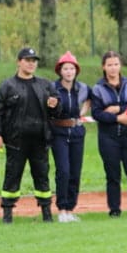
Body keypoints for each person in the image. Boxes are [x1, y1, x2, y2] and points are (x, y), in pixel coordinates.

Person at [0, 47, 61, 224]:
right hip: (16, 141)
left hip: (40, 140)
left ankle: (47, 213)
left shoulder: (45, 85)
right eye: (27, 60)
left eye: (34, 60)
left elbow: (57, 111)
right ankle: (7, 215)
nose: (31, 63)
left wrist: (54, 105)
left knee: (42, 176)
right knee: (12, 176)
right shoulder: (8, 86)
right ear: (19, 62)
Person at [91, 50, 127, 217]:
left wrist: (117, 109)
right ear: (103, 67)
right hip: (108, 137)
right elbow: (97, 113)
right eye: (109, 65)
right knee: (113, 175)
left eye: (116, 64)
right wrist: (118, 118)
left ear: (120, 65)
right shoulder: (98, 88)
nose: (113, 68)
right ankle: (114, 210)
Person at [50, 51, 90, 222]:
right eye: (65, 68)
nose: (69, 72)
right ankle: (62, 209)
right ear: (60, 71)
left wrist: (83, 111)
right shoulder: (53, 88)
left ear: (76, 71)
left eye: (72, 68)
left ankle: (70, 208)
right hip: (59, 132)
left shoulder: (82, 88)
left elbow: (90, 99)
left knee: (75, 172)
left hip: (77, 133)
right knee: (63, 171)